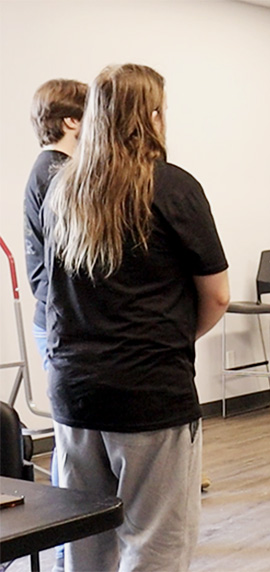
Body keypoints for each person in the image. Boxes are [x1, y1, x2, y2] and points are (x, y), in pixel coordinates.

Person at [43, 63, 230, 571]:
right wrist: (164, 340)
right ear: (151, 115)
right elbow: (216, 296)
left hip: (75, 390)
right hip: (150, 393)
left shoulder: (61, 191)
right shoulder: (173, 187)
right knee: (156, 544)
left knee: (84, 542)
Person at [22, 78, 86, 572]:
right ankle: (67, 547)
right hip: (63, 323)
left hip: (59, 321)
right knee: (71, 439)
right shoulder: (57, 173)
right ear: (71, 121)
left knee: (74, 437)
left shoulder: (53, 169)